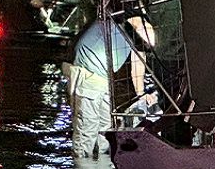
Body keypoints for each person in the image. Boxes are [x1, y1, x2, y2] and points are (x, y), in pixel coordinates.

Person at [64, 16, 154, 158]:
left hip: (102, 79)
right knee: (86, 131)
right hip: (86, 75)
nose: (142, 48)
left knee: (106, 129)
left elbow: (138, 67)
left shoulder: (136, 34)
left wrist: (142, 94)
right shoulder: (120, 23)